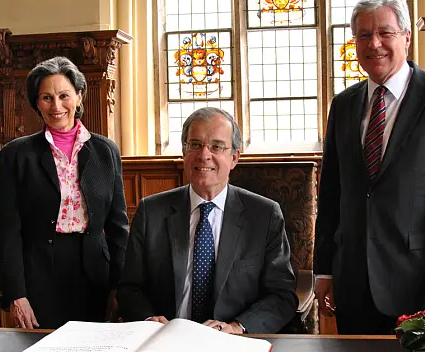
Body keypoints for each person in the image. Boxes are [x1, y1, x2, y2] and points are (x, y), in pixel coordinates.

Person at [314, 0, 425, 335]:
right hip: (353, 283)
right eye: (363, 35)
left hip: (419, 283)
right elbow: (331, 195)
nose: (374, 44)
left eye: (384, 32)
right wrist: (324, 270)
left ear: (406, 37)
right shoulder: (343, 105)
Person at [118, 107, 298, 334]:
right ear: (184, 152)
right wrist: (148, 320)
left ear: (234, 158)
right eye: (195, 144)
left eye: (216, 146)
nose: (204, 155)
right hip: (165, 340)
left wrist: (236, 327)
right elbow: (130, 288)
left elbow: (281, 295)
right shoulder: (151, 212)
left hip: (234, 342)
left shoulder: (264, 215)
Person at [0, 56, 128, 329]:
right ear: (36, 103)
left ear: (79, 96)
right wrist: (16, 294)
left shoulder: (106, 151)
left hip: (96, 277)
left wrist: (120, 288)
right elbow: (8, 231)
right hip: (38, 278)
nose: (56, 106)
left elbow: (118, 229)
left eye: (64, 95)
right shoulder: (16, 155)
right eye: (47, 97)